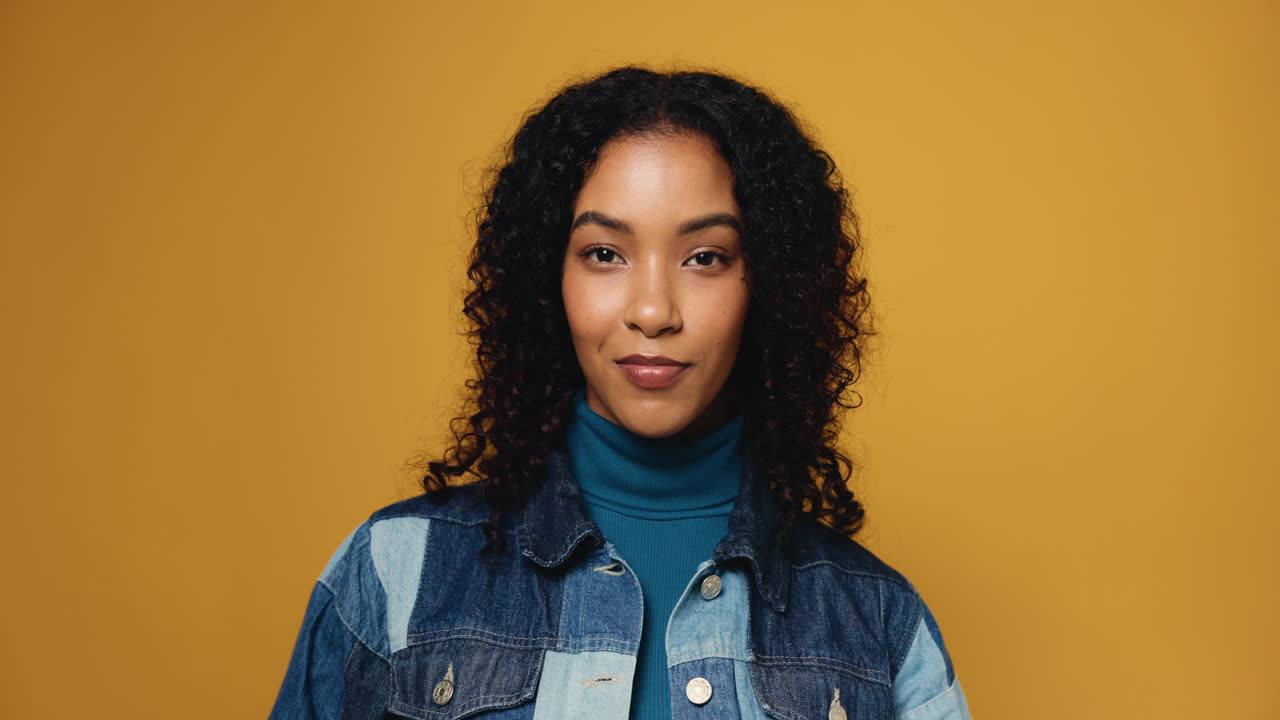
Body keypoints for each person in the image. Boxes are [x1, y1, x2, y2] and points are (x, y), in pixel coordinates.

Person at [268, 66, 971, 720]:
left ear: (773, 286)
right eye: (606, 253)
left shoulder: (878, 622)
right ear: (551, 279)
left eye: (706, 257)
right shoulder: (396, 574)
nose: (653, 310)